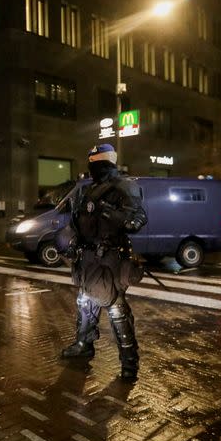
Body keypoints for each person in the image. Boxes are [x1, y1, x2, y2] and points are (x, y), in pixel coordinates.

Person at [61, 144, 147, 381]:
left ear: (105, 163)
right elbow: (81, 221)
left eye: (95, 163)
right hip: (87, 258)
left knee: (116, 308)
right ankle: (83, 344)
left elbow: (136, 220)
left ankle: (129, 362)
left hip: (110, 259)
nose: (91, 168)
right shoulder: (89, 189)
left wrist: (110, 212)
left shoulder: (124, 186)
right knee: (85, 302)